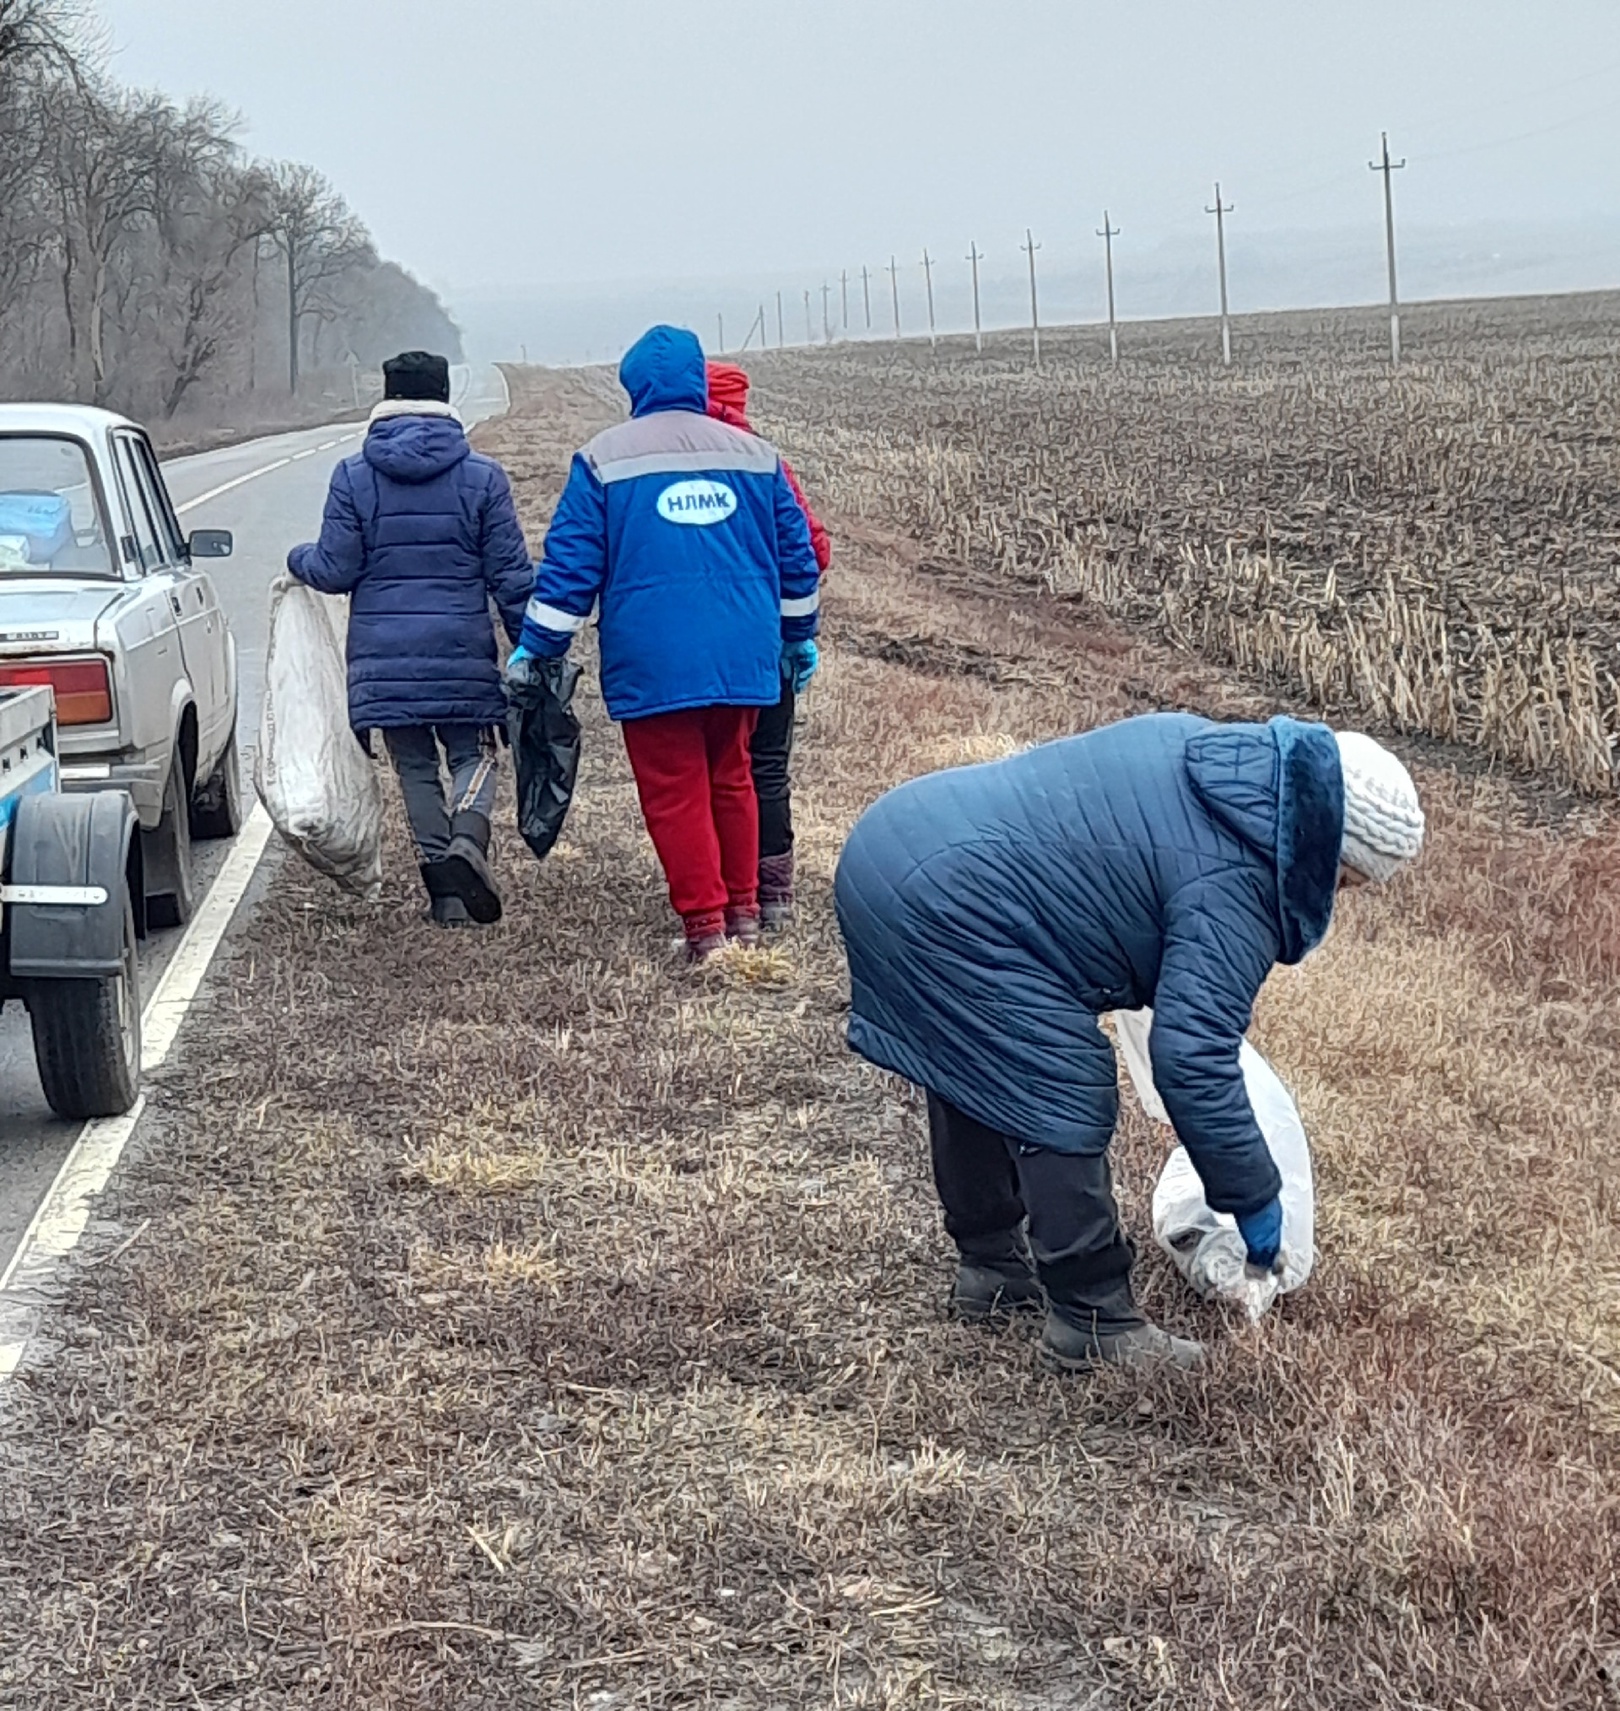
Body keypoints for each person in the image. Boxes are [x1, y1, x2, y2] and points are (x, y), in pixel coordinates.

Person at [834, 715, 1425, 1373]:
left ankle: (993, 1269)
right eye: (1349, 882)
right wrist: (1256, 1202)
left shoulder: (1218, 758)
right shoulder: (1239, 880)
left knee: (978, 1064)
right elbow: (1192, 1059)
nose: (1339, 899)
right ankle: (1093, 1318)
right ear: (1327, 850)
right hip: (950, 896)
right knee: (1060, 1082)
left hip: (895, 842)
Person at [509, 325, 822, 962]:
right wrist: (798, 638)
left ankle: (705, 928)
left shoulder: (603, 459)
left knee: (674, 786)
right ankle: (745, 913)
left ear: (634, 385)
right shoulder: (756, 456)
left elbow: (570, 572)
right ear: (697, 378)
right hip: (744, 652)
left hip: (654, 659)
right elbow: (798, 563)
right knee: (733, 776)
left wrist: (538, 646)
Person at [287, 350, 533, 929]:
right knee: (475, 753)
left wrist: (295, 559)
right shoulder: (483, 478)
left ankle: (444, 894)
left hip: (383, 657)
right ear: (445, 397)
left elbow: (334, 569)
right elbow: (511, 576)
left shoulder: (352, 475)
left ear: (386, 397)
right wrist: (530, 648)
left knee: (415, 766)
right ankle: (468, 839)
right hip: (460, 647)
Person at [705, 360, 832, 931]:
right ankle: (773, 894)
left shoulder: (662, 459)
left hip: (698, 649)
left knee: (710, 769)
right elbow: (813, 548)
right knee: (768, 765)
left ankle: (722, 893)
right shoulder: (763, 462)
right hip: (769, 640)